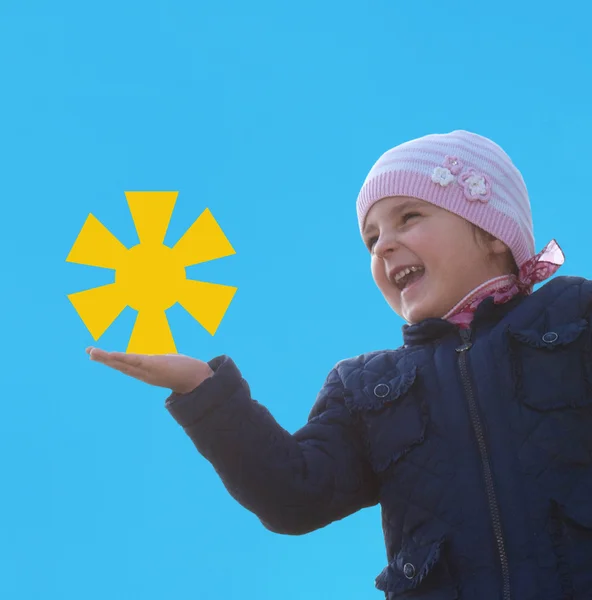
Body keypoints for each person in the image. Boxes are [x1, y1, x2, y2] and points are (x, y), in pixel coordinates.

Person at [86, 130, 592, 599]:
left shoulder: (574, 312)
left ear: (494, 233)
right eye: (371, 239)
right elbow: (292, 495)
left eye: (409, 216)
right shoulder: (366, 386)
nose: (384, 244)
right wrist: (203, 390)